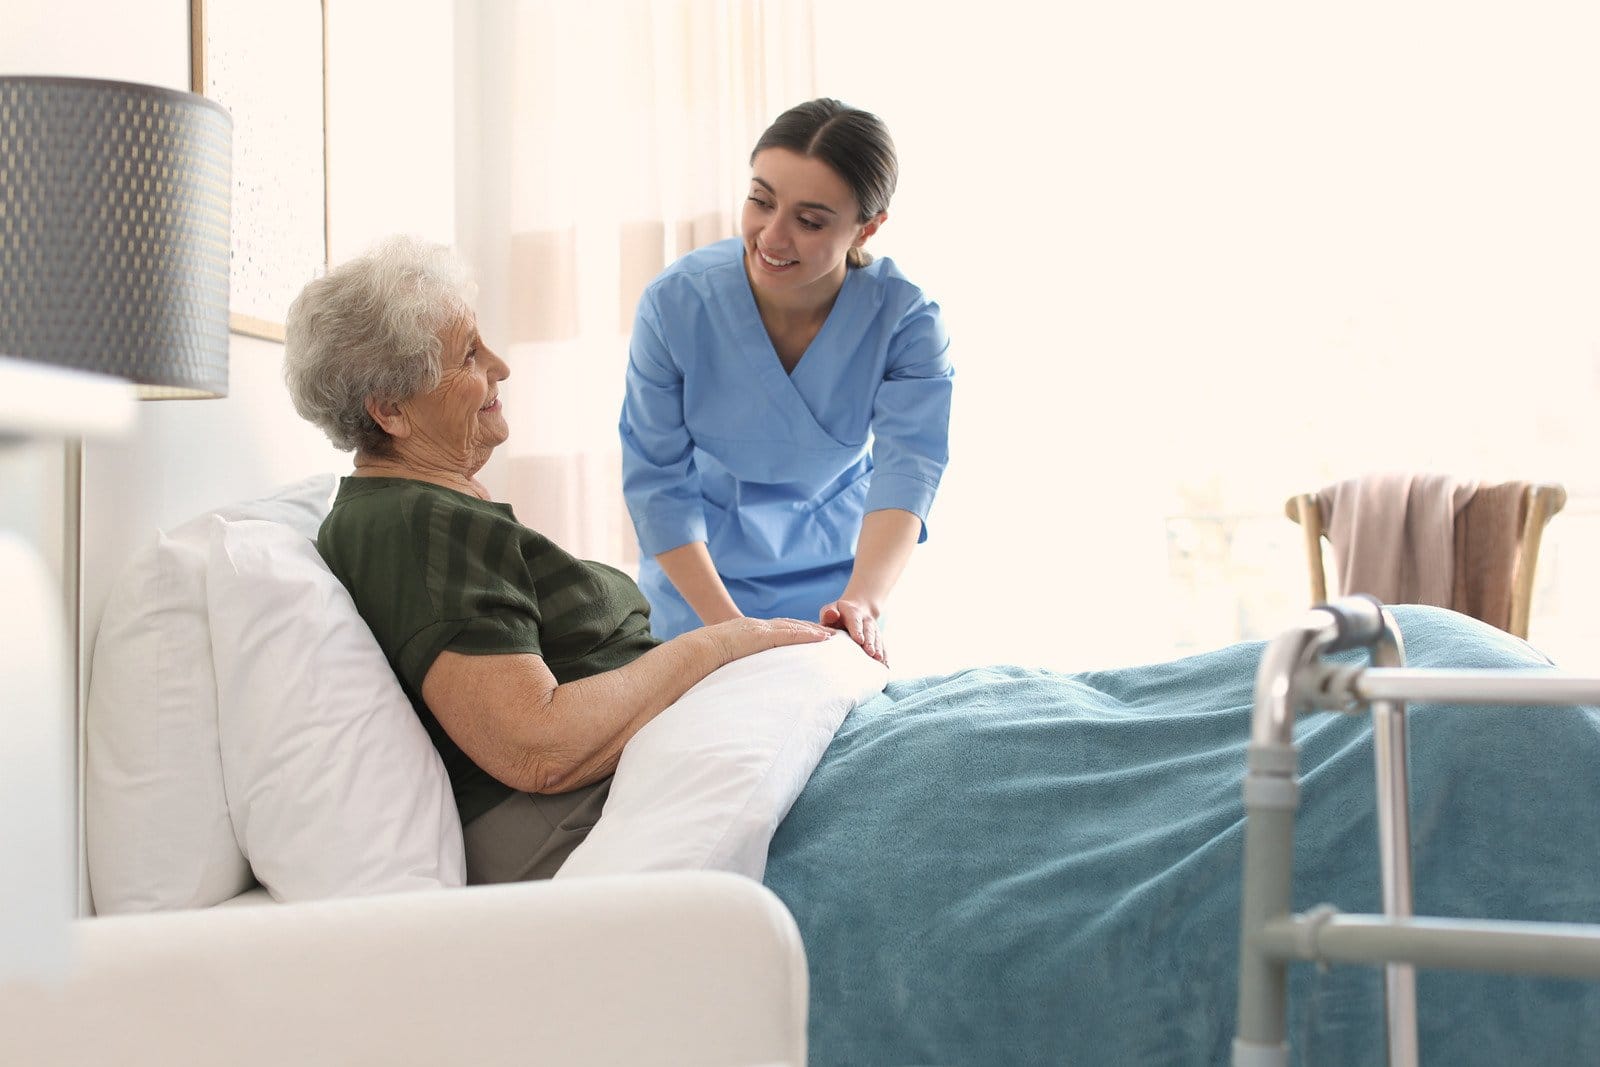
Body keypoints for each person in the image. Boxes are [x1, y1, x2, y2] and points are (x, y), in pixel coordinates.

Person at [284, 235, 834, 883]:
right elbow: (537, 745)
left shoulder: (415, 509)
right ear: (390, 410)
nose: (501, 365)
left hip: (629, 779)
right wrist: (725, 644)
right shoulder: (418, 525)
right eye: (468, 354)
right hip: (576, 817)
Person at [619, 98, 953, 666]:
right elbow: (657, 483)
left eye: (809, 220)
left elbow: (907, 471)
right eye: (760, 201)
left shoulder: (906, 322)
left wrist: (863, 601)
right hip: (698, 586)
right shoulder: (676, 305)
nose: (771, 237)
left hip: (839, 585)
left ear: (866, 228)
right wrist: (731, 633)